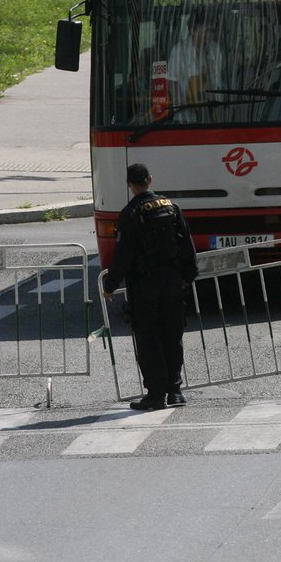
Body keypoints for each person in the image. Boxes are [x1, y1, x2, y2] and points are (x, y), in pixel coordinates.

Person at [101, 164, 199, 411]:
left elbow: (123, 254)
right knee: (172, 336)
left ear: (129, 184)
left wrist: (110, 285)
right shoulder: (170, 207)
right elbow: (186, 243)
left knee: (149, 339)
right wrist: (189, 275)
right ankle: (175, 392)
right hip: (172, 282)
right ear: (150, 180)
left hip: (144, 285)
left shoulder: (131, 212)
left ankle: (156, 396)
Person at [167, 19, 226, 113]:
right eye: (207, 31)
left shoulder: (216, 49)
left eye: (212, 31)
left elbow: (220, 78)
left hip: (215, 109)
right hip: (189, 115)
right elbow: (171, 82)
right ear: (193, 31)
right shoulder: (180, 51)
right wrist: (184, 104)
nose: (210, 35)